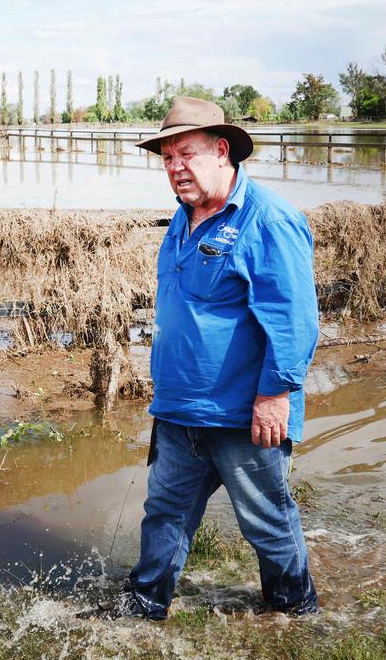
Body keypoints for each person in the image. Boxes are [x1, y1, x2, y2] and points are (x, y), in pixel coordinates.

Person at [123, 96, 319, 619]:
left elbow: (294, 320)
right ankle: (144, 607)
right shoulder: (180, 221)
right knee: (163, 512)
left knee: (265, 520)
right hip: (179, 410)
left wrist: (276, 395)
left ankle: (293, 609)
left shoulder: (270, 221)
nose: (175, 167)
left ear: (222, 150)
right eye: (166, 158)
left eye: (186, 153)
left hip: (243, 414)